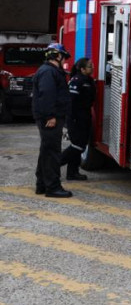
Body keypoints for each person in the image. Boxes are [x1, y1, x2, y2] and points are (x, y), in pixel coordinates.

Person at [32, 43, 73, 197]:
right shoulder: (49, 72)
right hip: (50, 118)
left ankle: (42, 184)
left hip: (51, 116)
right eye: (63, 57)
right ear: (57, 56)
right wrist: (50, 116)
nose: (64, 60)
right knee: (52, 153)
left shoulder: (50, 71)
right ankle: (53, 188)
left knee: (46, 151)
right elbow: (46, 95)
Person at [61, 58, 95, 181]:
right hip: (76, 118)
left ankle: (72, 172)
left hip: (85, 117)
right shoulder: (77, 80)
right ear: (82, 69)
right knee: (77, 146)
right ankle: (53, 166)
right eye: (90, 66)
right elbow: (71, 102)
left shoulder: (89, 81)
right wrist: (71, 120)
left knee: (79, 145)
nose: (93, 68)